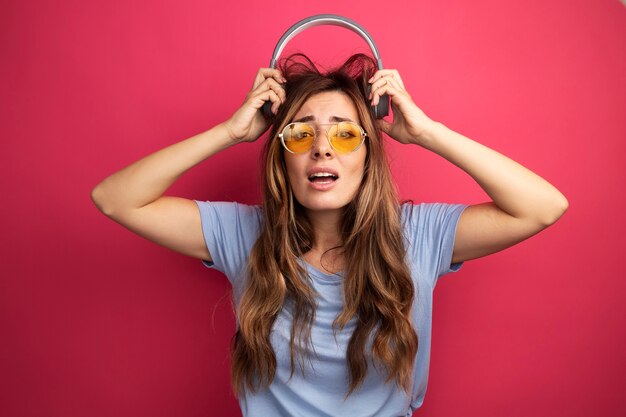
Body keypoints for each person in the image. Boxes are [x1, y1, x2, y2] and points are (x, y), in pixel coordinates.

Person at [91, 53, 568, 417]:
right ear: (283, 156)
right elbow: (116, 198)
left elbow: (543, 207)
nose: (321, 148)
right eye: (300, 134)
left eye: (343, 135)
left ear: (368, 155)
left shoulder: (418, 236)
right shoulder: (243, 234)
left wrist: (426, 131)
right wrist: (230, 132)